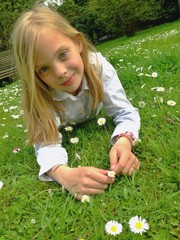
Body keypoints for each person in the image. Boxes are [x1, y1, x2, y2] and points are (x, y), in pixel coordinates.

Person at [11, 6, 141, 200]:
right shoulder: (41, 93)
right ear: (35, 75)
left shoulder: (97, 66)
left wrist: (124, 141)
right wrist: (64, 174)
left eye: (63, 54)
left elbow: (124, 112)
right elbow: (47, 145)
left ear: (78, 43)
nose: (60, 72)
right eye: (44, 68)